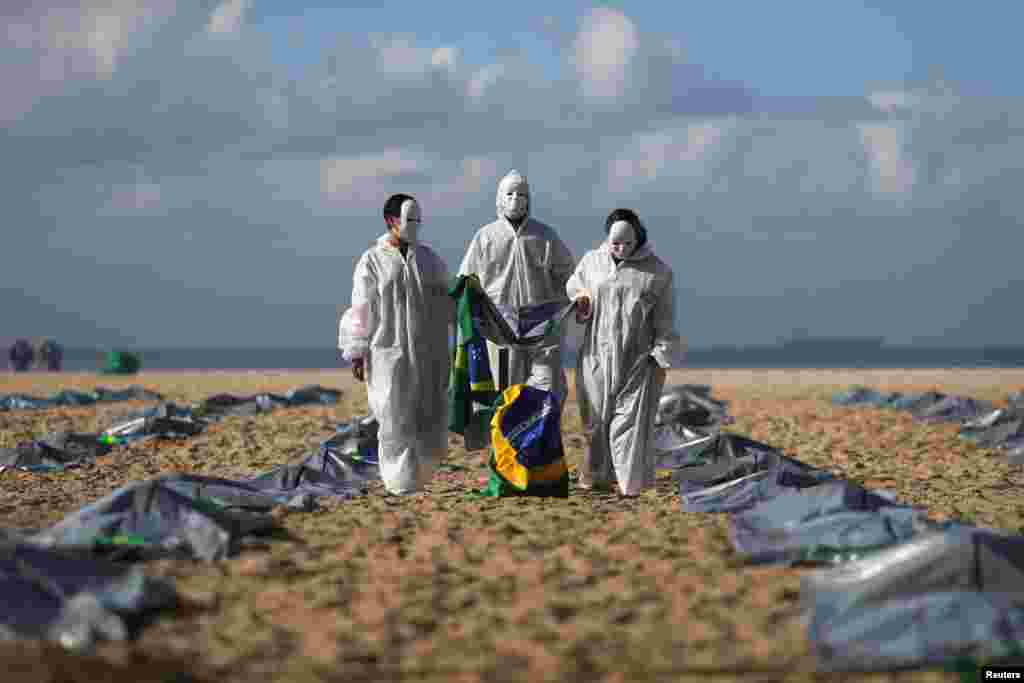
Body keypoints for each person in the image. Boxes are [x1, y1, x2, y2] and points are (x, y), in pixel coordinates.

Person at [338, 193, 453, 495]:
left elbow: (448, 294)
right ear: (391, 221)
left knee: (425, 411)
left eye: (418, 220)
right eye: (408, 219)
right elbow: (361, 306)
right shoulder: (372, 261)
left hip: (426, 349)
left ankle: (418, 477)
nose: (414, 225)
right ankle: (398, 483)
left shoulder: (428, 259)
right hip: (386, 351)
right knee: (392, 414)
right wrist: (357, 350)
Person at [567, 209, 685, 497]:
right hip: (595, 355)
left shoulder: (657, 272)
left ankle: (628, 483)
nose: (620, 249)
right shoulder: (592, 262)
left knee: (629, 424)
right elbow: (574, 286)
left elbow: (664, 318)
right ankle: (596, 476)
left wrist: (661, 353)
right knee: (595, 420)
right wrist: (581, 299)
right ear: (607, 238)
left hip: (637, 358)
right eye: (615, 243)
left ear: (637, 238)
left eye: (627, 243)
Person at [458, 169, 575, 407]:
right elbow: (466, 280)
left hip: (540, 327)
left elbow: (570, 276)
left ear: (529, 199)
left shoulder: (544, 237)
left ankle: (537, 442)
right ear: (500, 197)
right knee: (505, 395)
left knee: (546, 390)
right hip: (499, 327)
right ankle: (504, 444)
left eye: (521, 194)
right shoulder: (485, 237)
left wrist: (575, 298)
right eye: (510, 193)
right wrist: (473, 316)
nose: (515, 199)